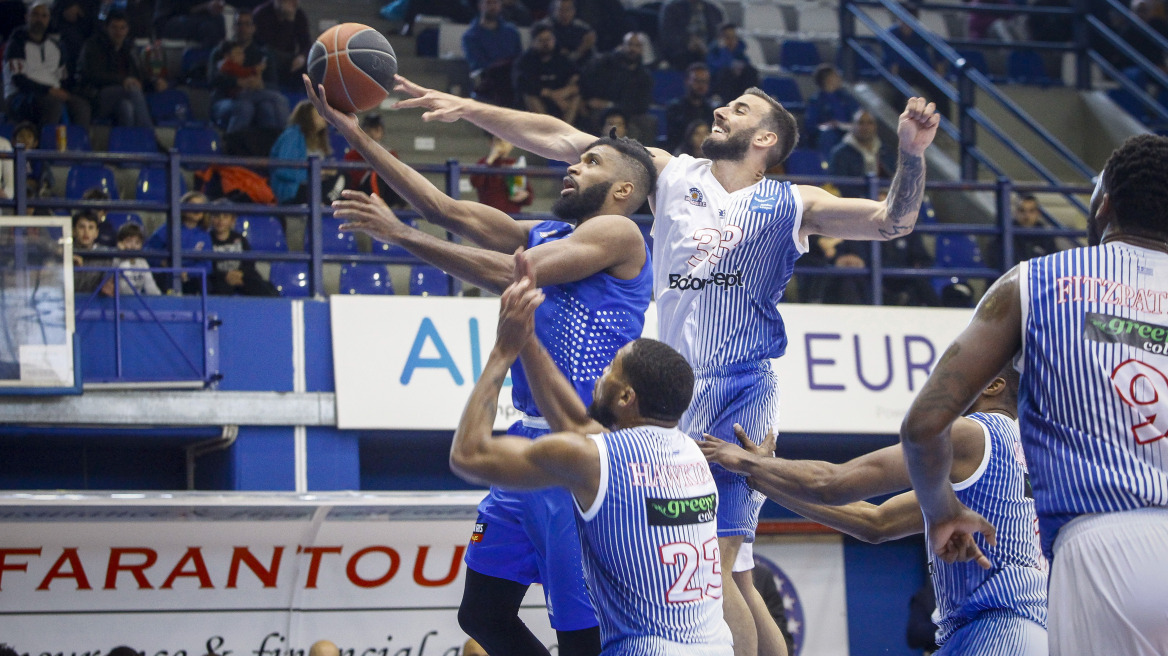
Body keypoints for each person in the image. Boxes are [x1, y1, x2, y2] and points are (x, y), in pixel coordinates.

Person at [391, 71, 938, 656]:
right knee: (738, 573)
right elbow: (556, 135)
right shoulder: (673, 174)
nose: (722, 110)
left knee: (720, 565)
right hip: (674, 392)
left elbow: (893, 221)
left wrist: (910, 154)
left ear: (766, 140)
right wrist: (468, 106)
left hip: (741, 391)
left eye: (741, 108)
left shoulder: (793, 202)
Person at [308, 72, 657, 656]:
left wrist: (400, 237)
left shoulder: (620, 234)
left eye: (591, 163)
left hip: (585, 451)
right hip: (526, 441)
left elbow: (510, 275)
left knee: (582, 637)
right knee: (483, 614)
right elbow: (444, 208)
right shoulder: (543, 231)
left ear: (623, 191)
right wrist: (355, 135)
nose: (572, 167)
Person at [898, 134, 1168, 655]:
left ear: (1103, 203)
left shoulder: (1035, 282)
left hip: (1105, 549)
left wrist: (940, 509)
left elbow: (923, 424)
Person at [449, 266, 733, 656]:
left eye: (611, 370)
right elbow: (574, 424)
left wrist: (502, 351)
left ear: (625, 398)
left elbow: (469, 455)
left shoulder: (597, 459)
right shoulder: (689, 453)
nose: (601, 375)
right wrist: (528, 339)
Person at [702, 367, 1048, 655]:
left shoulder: (972, 434)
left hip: (999, 631)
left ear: (993, 384)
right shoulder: (1022, 458)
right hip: (1026, 628)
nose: (951, 380)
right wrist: (762, 478)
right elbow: (876, 522)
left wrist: (747, 461)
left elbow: (837, 481)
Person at [3, 0, 92, 130]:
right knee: (52, 104)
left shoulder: (57, 47)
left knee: (81, 106)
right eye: (35, 15)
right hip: (21, 96)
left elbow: (63, 79)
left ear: (49, 19)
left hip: (53, 93)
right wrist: (48, 90)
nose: (39, 19)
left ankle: (76, 146)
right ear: (27, 17)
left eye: (44, 16)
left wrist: (64, 93)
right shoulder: (16, 44)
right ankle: (46, 146)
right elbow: (19, 81)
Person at [75, 10, 157, 129]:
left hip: (122, 99)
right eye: (114, 28)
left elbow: (139, 75)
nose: (118, 32)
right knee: (132, 89)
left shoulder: (129, 49)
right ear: (107, 28)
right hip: (96, 96)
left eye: (122, 28)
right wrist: (123, 81)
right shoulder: (93, 46)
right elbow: (93, 75)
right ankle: (150, 135)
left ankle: (128, 146)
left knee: (126, 108)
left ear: (127, 30)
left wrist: (154, 83)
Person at [579, 32, 653, 142]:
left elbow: (642, 104)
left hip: (629, 114)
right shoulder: (606, 64)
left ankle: (644, 157)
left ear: (642, 49)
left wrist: (611, 105)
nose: (632, 49)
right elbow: (589, 85)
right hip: (601, 111)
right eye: (629, 44)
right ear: (622, 46)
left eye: (637, 46)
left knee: (648, 122)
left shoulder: (644, 76)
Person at [144, 190, 215, 295]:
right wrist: (163, 263)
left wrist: (188, 272)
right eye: (193, 205)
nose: (197, 210)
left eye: (201, 206)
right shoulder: (168, 229)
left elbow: (207, 265)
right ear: (183, 208)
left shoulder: (205, 235)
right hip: (169, 274)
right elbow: (148, 251)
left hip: (191, 278)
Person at [207, 201, 278, 296]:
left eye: (225, 216)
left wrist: (240, 273)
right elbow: (207, 265)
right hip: (219, 279)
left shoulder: (239, 238)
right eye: (216, 216)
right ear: (211, 218)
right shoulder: (207, 238)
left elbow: (249, 262)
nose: (221, 220)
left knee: (262, 286)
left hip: (241, 275)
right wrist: (225, 275)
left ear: (232, 220)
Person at [513, 25, 580, 125]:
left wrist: (567, 90)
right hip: (539, 98)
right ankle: (547, 127)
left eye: (548, 39)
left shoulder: (562, 58)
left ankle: (567, 128)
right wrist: (551, 94)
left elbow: (577, 76)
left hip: (561, 97)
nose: (546, 43)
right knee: (530, 96)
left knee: (576, 96)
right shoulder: (525, 61)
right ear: (533, 42)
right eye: (541, 40)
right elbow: (521, 83)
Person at [462, 0, 522, 106]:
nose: (493, 6)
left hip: (513, 80)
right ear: (480, 5)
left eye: (496, 3)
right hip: (488, 81)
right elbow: (478, 65)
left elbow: (520, 59)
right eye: (489, 3)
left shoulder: (512, 32)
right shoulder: (470, 36)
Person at [269, 100, 331, 204]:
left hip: (311, 185)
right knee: (341, 178)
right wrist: (315, 173)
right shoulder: (292, 135)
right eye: (319, 113)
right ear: (307, 116)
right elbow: (282, 170)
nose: (324, 117)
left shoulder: (319, 140)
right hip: (292, 190)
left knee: (341, 176)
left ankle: (327, 208)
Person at [829, 109, 897, 198]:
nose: (865, 127)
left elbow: (896, 177)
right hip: (854, 203)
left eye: (870, 123)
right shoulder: (840, 153)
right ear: (853, 125)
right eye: (861, 123)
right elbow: (840, 185)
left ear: (875, 126)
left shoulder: (885, 151)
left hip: (885, 200)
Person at [251, 0, 311, 88]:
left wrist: (302, 57)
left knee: (309, 63)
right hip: (264, 56)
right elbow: (276, 45)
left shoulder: (299, 15)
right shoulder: (262, 13)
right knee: (269, 55)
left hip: (288, 57)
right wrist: (289, 21)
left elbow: (306, 42)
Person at [470, 134, 533, 214]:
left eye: (506, 141)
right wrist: (490, 159)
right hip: (489, 214)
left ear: (512, 145)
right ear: (491, 143)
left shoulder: (516, 164)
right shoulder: (484, 163)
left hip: (512, 215)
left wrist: (525, 196)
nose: (503, 144)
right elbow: (474, 182)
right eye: (498, 141)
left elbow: (529, 197)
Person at [804, 64, 859, 154]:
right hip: (830, 134)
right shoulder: (816, 101)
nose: (839, 77)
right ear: (828, 79)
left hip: (848, 131)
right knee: (828, 135)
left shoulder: (846, 98)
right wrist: (829, 125)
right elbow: (811, 126)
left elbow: (858, 115)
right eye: (836, 75)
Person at [658, 0, 723, 70]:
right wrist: (687, 42)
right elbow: (668, 36)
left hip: (708, 51)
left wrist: (707, 49)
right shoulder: (672, 8)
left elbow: (720, 36)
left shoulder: (714, 10)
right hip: (682, 52)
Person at [663, 63, 714, 153]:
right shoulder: (675, 109)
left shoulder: (711, 110)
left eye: (704, 82)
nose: (701, 85)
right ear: (687, 81)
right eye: (697, 81)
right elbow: (674, 139)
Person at [533, 0, 595, 64]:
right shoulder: (544, 27)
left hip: (581, 65)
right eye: (560, 10)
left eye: (568, 9)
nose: (565, 14)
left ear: (574, 11)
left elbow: (590, 41)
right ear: (554, 11)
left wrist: (578, 52)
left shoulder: (581, 27)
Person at [113, 223, 162, 296]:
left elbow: (151, 288)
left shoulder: (142, 262)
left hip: (136, 302)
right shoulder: (115, 260)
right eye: (129, 241)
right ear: (120, 243)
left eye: (137, 242)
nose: (133, 246)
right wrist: (124, 258)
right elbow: (125, 290)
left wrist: (161, 300)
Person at [152, 0, 226, 49]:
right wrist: (206, 6)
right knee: (208, 28)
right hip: (167, 21)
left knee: (219, 19)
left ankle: (221, 59)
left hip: (188, 17)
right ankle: (202, 65)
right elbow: (184, 9)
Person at [72, 210, 113, 295]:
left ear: (96, 233)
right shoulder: (64, 253)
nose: (86, 232)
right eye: (81, 227)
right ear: (74, 231)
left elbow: (108, 287)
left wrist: (108, 286)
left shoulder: (105, 254)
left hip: (96, 305)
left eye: (91, 227)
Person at [1012, 194, 1059, 261]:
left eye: (1031, 211)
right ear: (1016, 212)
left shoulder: (1046, 237)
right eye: (1022, 210)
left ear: (1037, 213)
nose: (1026, 216)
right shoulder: (1006, 236)